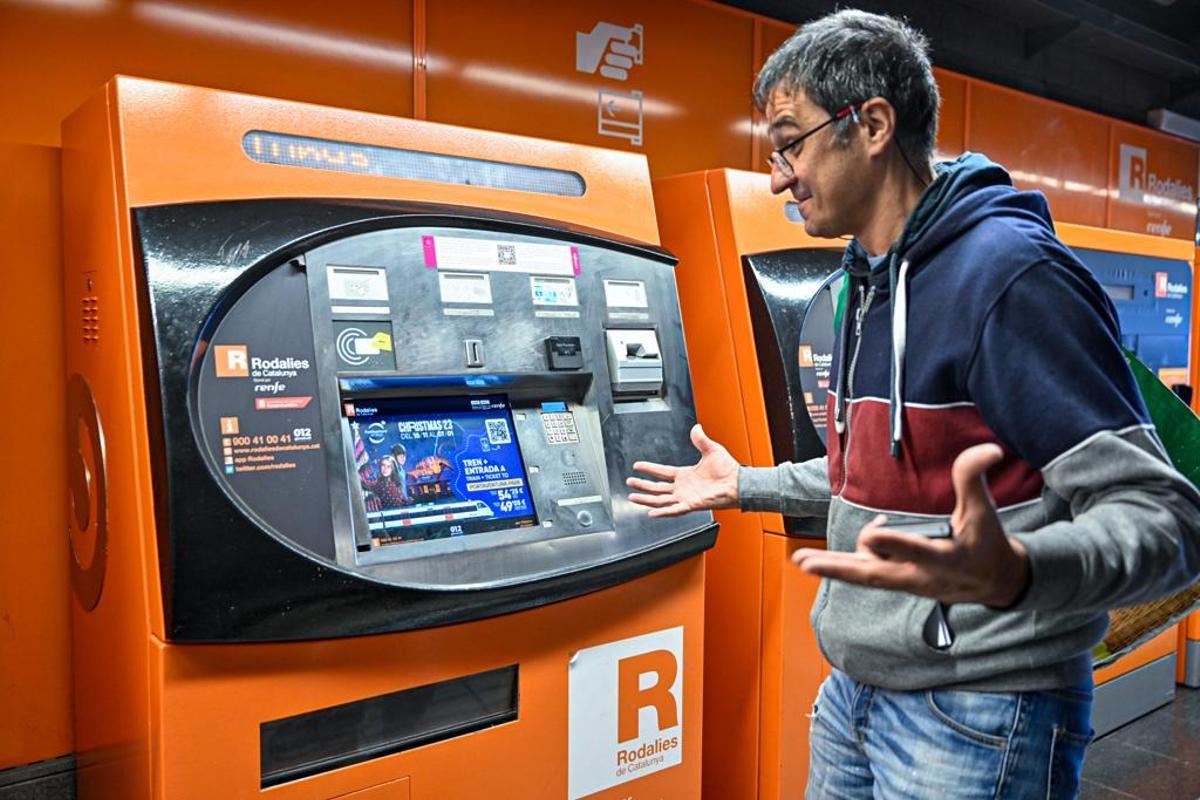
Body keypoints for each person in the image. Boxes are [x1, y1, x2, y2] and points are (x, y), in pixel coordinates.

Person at [627, 9, 1200, 798]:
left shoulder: (1010, 278)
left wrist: (1019, 572)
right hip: (855, 696)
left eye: (790, 142)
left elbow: (1165, 517)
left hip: (981, 710)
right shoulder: (867, 283)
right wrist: (742, 484)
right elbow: (874, 473)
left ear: (869, 125)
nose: (777, 176)